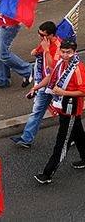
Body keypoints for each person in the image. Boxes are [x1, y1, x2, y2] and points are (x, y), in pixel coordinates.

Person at [33, 39, 85, 184]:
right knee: (79, 135)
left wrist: (63, 92)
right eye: (63, 52)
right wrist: (35, 88)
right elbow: (51, 77)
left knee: (62, 142)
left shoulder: (78, 69)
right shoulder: (61, 64)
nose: (65, 55)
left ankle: (47, 174)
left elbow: (83, 91)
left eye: (68, 52)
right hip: (62, 106)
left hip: (71, 109)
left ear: (74, 52)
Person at [11, 21, 61, 148]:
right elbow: (38, 51)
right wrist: (37, 50)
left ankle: (72, 136)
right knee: (37, 111)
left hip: (56, 86)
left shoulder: (58, 47)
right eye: (38, 33)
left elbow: (52, 69)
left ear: (49, 35)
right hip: (45, 84)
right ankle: (26, 139)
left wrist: (46, 50)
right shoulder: (46, 42)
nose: (39, 36)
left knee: (64, 114)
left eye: (41, 34)